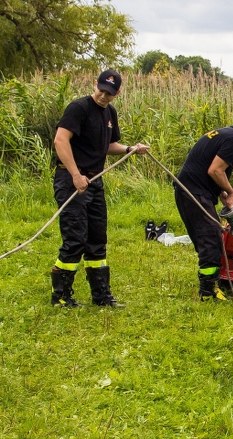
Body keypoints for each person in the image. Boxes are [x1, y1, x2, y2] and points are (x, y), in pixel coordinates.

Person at [50, 69, 149, 307]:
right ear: (95, 84)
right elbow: (60, 140)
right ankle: (61, 295)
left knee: (97, 238)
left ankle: (101, 295)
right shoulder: (79, 108)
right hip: (71, 180)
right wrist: (76, 175)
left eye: (109, 93)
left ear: (117, 93)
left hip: (95, 182)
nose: (104, 96)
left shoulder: (109, 113)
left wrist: (129, 149)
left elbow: (109, 145)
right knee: (75, 238)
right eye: (101, 90)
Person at [173, 112, 233, 300]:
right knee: (212, 238)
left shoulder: (224, 133)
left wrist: (223, 193)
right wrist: (231, 192)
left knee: (209, 237)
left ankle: (214, 281)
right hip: (194, 192)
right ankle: (208, 291)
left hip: (191, 190)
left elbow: (207, 169)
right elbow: (215, 170)